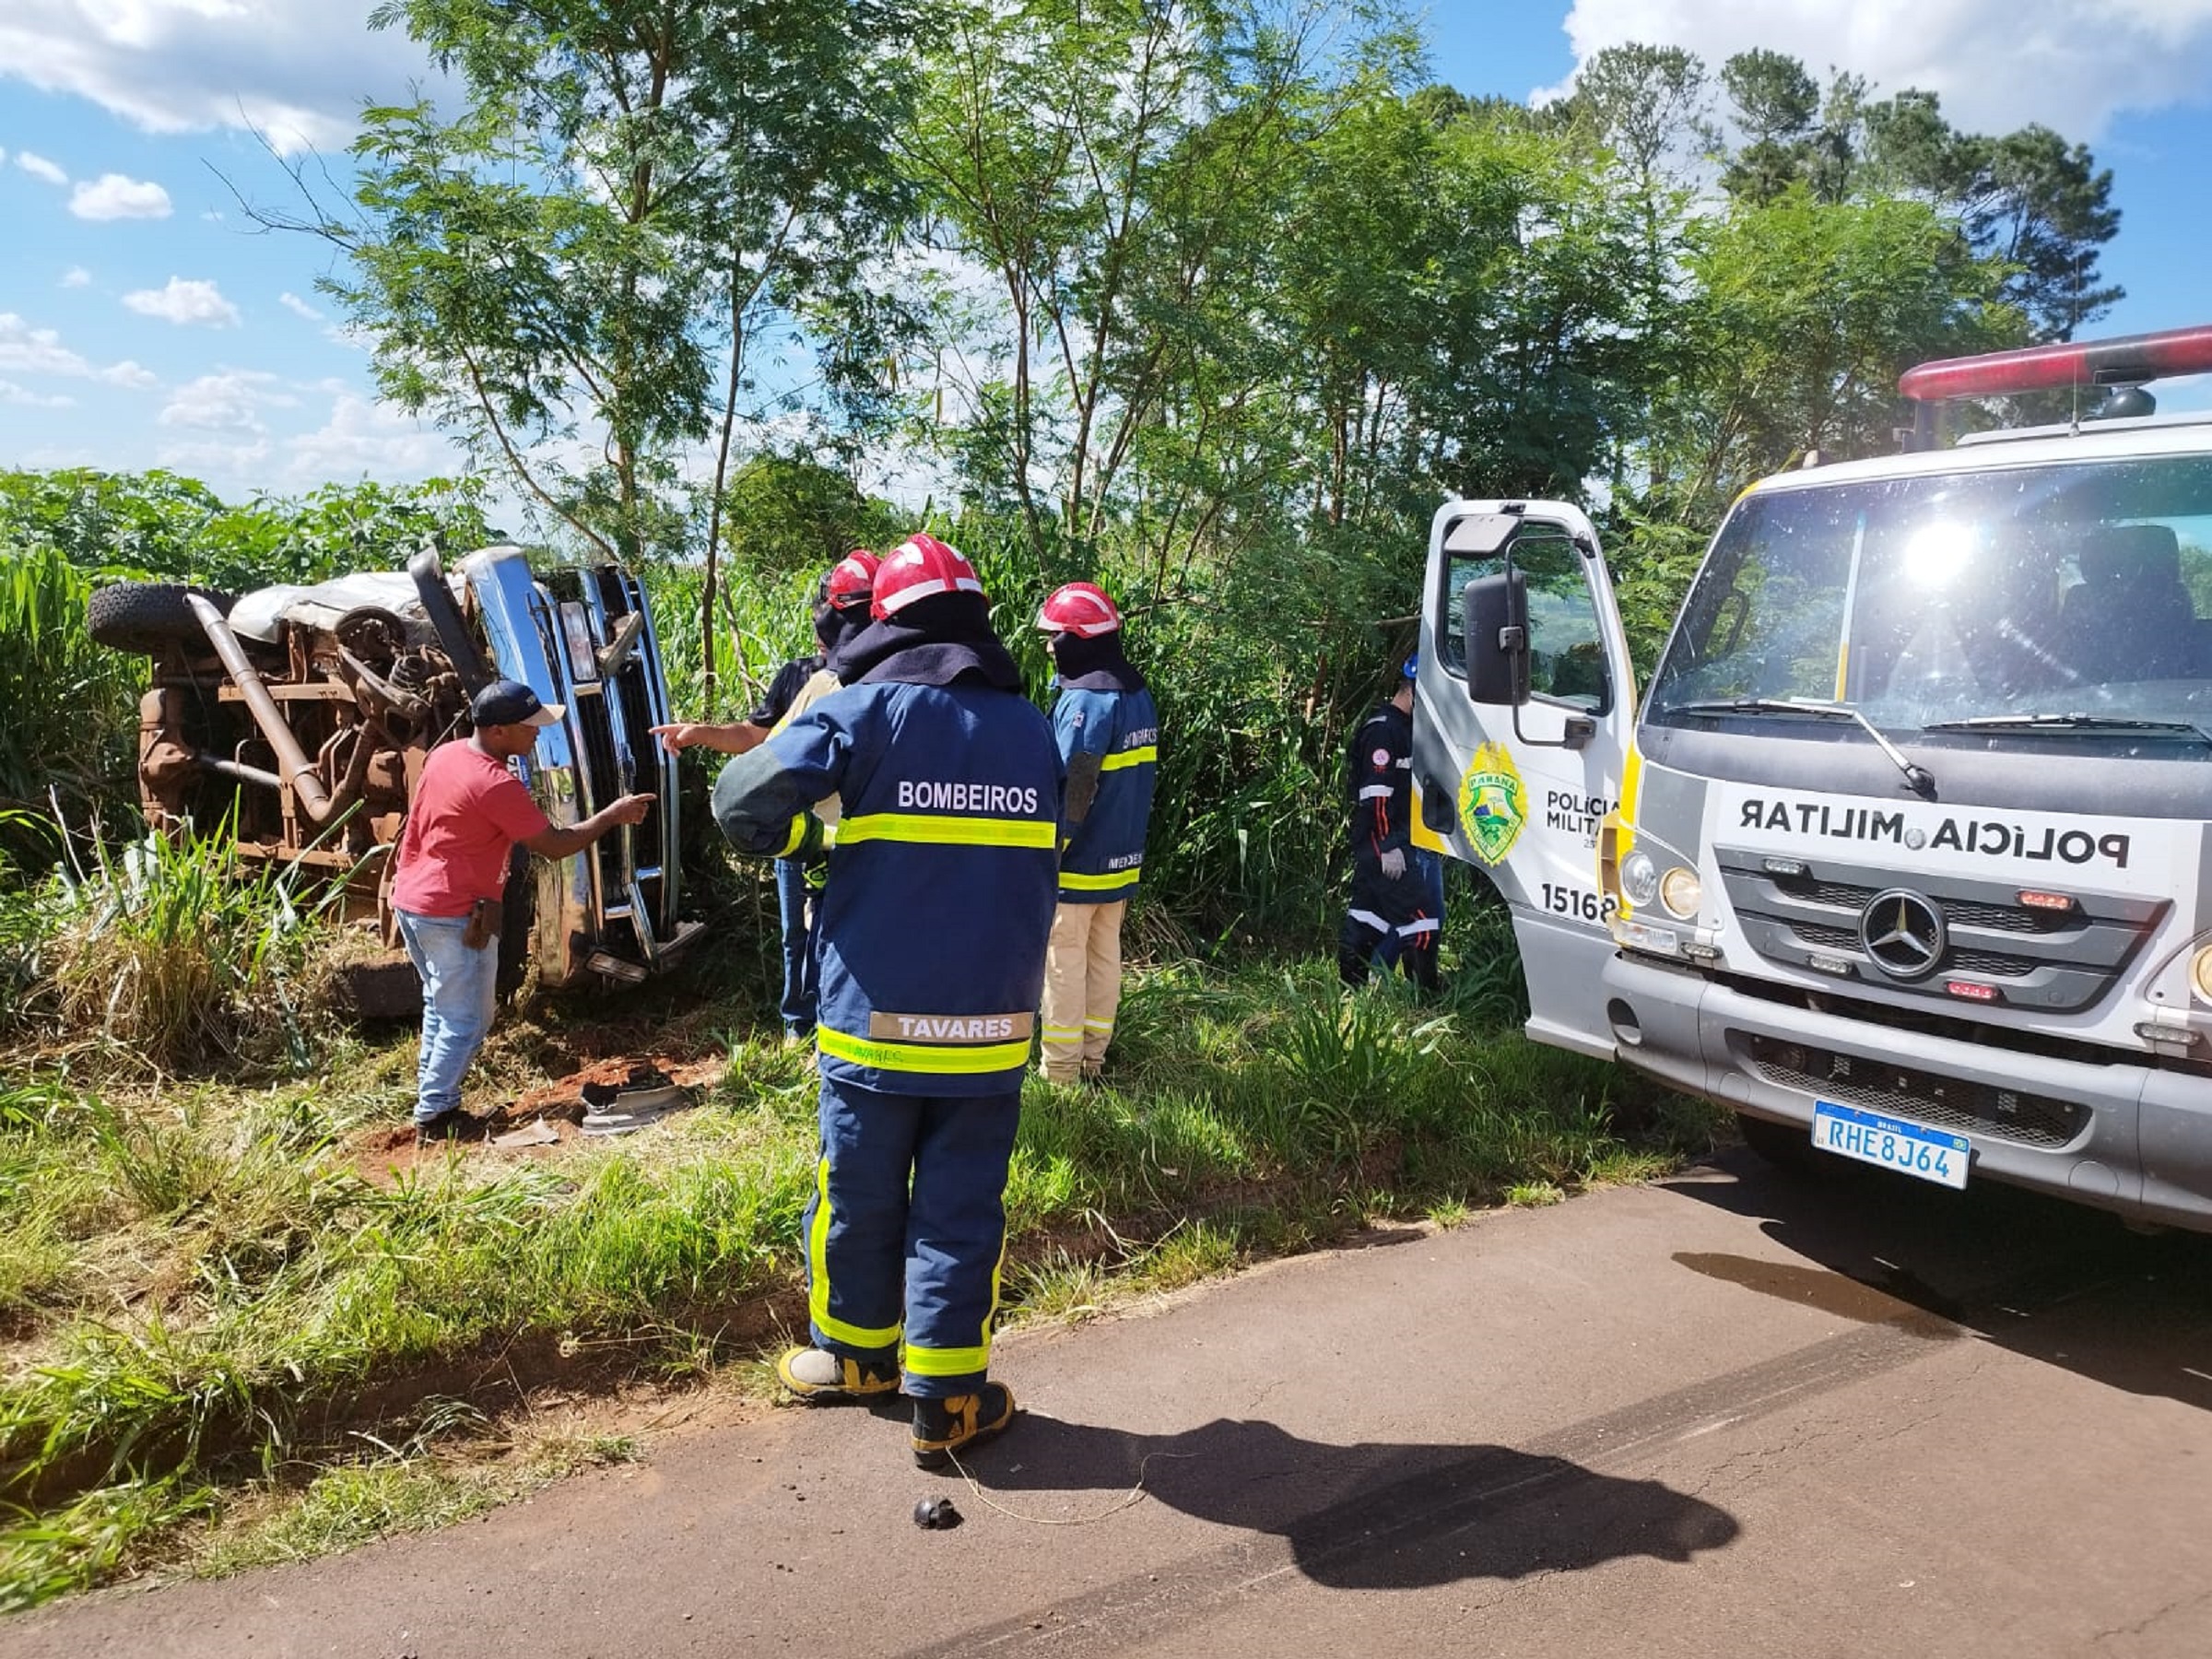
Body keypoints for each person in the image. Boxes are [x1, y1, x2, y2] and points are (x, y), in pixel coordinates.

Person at [710, 533, 1061, 1469]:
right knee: (962, 1211)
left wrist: (804, 848)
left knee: (857, 1194)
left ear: (888, 624)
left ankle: (855, 1359)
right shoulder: (1033, 728)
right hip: (991, 1028)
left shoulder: (863, 712)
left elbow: (741, 794)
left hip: (877, 1022)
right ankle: (947, 1404)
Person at [392, 679, 655, 1143]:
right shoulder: (495, 784)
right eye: (528, 726)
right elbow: (555, 846)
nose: (537, 733)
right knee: (469, 1018)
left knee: (442, 1005)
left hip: (415, 901)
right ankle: (435, 1117)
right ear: (497, 731)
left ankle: (434, 1098)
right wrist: (612, 815)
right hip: (453, 911)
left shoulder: (447, 755)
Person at [653, 551, 878, 1039]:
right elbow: (759, 740)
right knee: (799, 933)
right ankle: (801, 1023)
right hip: (800, 832)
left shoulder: (835, 683)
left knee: (830, 930)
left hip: (842, 832)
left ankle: (831, 1031)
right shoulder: (802, 675)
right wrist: (700, 733)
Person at [1034, 582, 1158, 1086]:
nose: (1049, 647)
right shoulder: (1137, 694)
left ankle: (1060, 1074)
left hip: (1077, 863)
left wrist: (1047, 851)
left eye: (1056, 636)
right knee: (1106, 956)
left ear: (1080, 638)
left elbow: (1075, 787)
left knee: (1063, 962)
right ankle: (1093, 1058)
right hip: (1121, 860)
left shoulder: (1087, 701)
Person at [1337, 653, 1440, 992]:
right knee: (1422, 923)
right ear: (1412, 691)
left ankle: (1350, 992)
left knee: (1369, 918)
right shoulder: (1383, 731)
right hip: (1382, 842)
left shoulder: (1404, 728)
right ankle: (1425, 998)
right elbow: (1376, 797)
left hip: (1387, 840)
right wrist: (1388, 846)